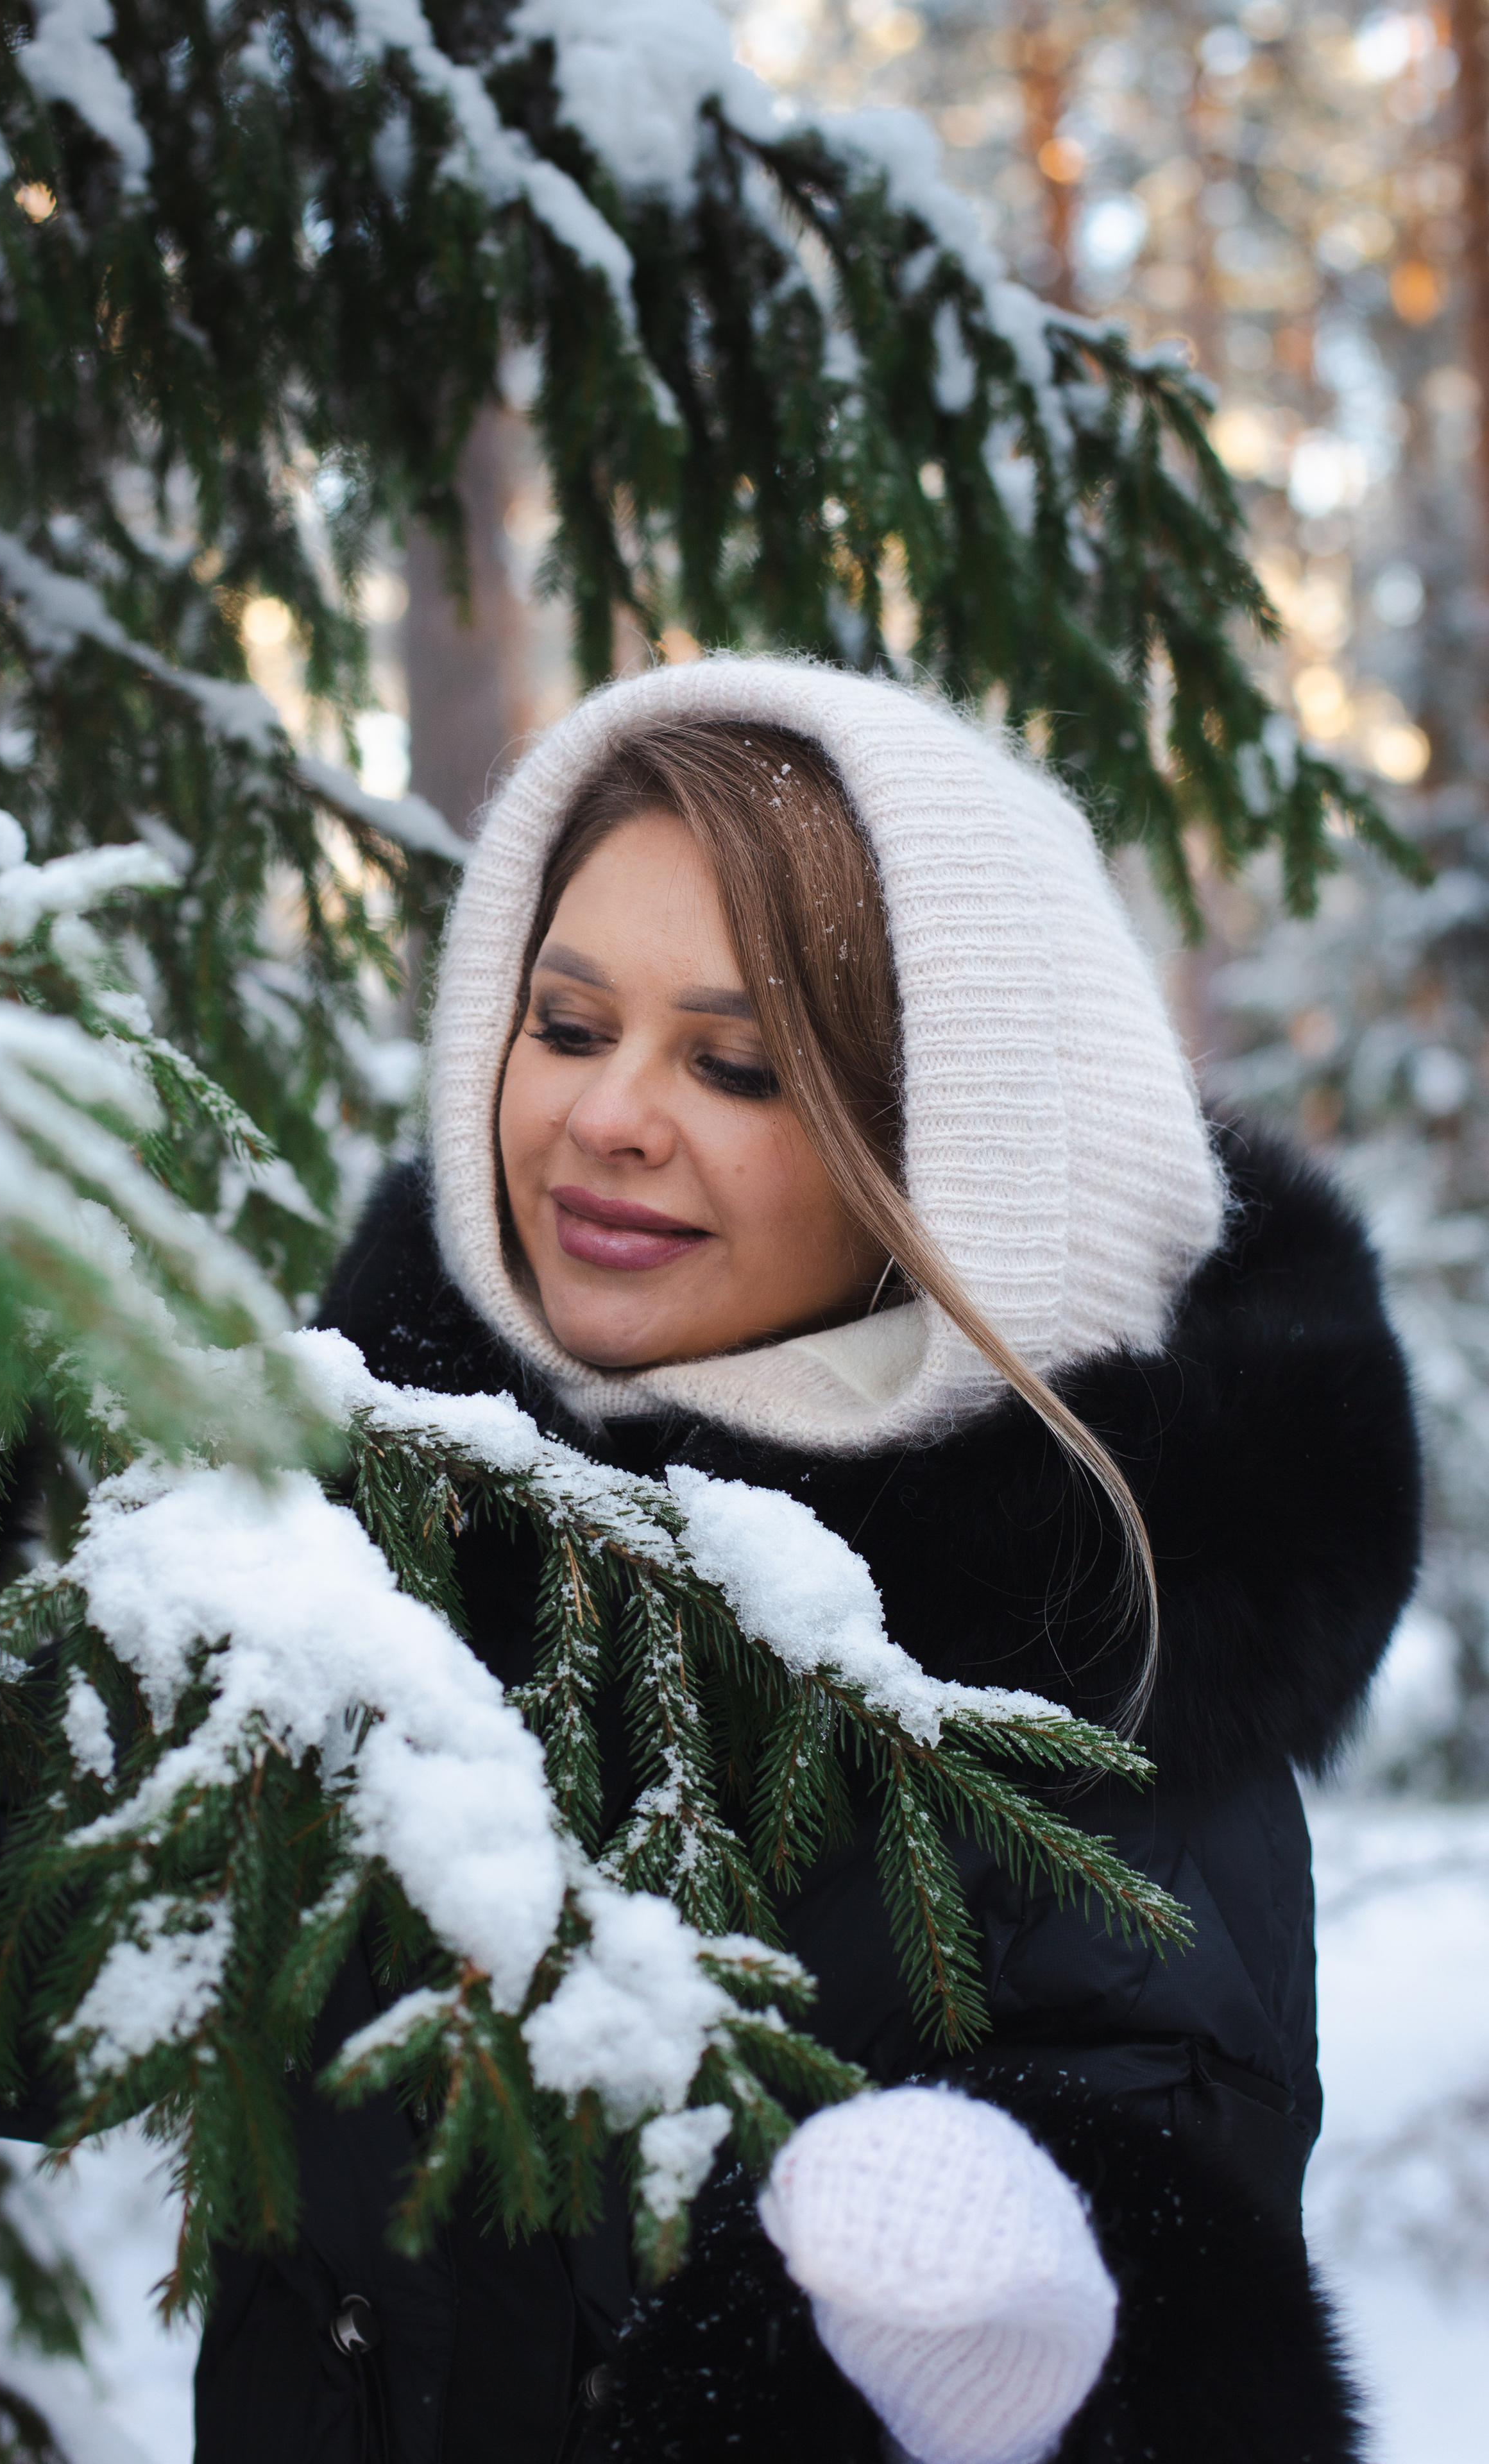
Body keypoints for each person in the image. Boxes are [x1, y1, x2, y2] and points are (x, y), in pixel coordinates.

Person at [197, 658, 1421, 2463]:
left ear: (943, 1149)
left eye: (738, 1062)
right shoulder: (386, 1500)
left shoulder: (1088, 1660)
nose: (608, 1116)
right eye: (567, 1023)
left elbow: (1172, 2307)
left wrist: (974, 2341)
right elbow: (31, 2007)